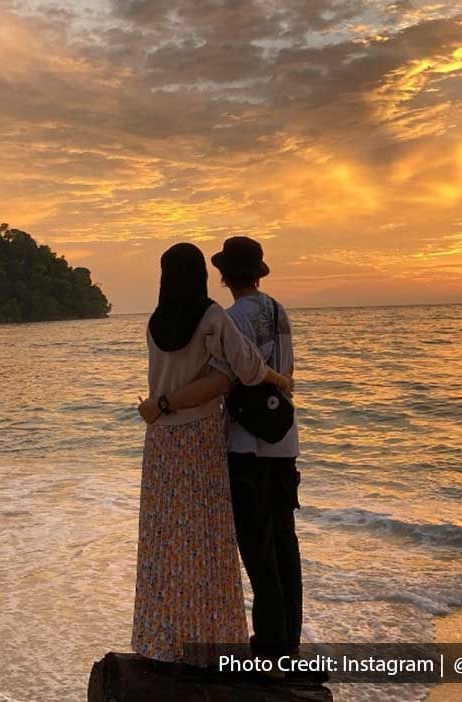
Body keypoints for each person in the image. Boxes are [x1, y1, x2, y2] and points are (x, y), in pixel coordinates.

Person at [131, 242, 294, 665]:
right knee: (207, 541)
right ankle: (213, 642)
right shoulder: (213, 317)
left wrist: (160, 405)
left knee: (165, 542)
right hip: (201, 437)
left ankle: (162, 639)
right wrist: (280, 378)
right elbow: (247, 368)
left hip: (161, 441)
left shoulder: (154, 322)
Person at [209, 236, 302, 659]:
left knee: (257, 547)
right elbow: (285, 369)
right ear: (259, 274)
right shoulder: (280, 311)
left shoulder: (230, 319)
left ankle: (268, 645)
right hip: (285, 439)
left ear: (225, 275)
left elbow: (230, 377)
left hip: (247, 444)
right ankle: (289, 642)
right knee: (285, 541)